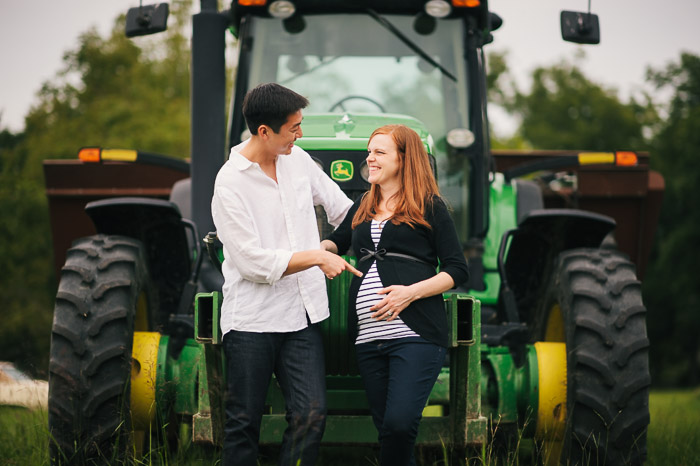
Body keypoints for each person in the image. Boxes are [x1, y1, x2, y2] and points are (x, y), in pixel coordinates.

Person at [211, 82, 361, 466]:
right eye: (294, 127)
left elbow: (343, 209)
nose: (300, 134)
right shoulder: (229, 184)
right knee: (244, 421)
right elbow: (253, 264)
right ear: (264, 131)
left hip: (301, 317)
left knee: (311, 415)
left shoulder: (298, 161)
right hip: (251, 322)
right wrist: (315, 256)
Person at [322, 124, 469, 466]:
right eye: (369, 152)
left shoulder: (429, 205)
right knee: (388, 430)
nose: (369, 159)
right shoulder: (364, 204)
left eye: (380, 152)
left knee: (400, 425)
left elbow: (457, 269)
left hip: (415, 335)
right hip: (369, 340)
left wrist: (409, 294)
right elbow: (336, 242)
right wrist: (318, 252)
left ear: (404, 159)